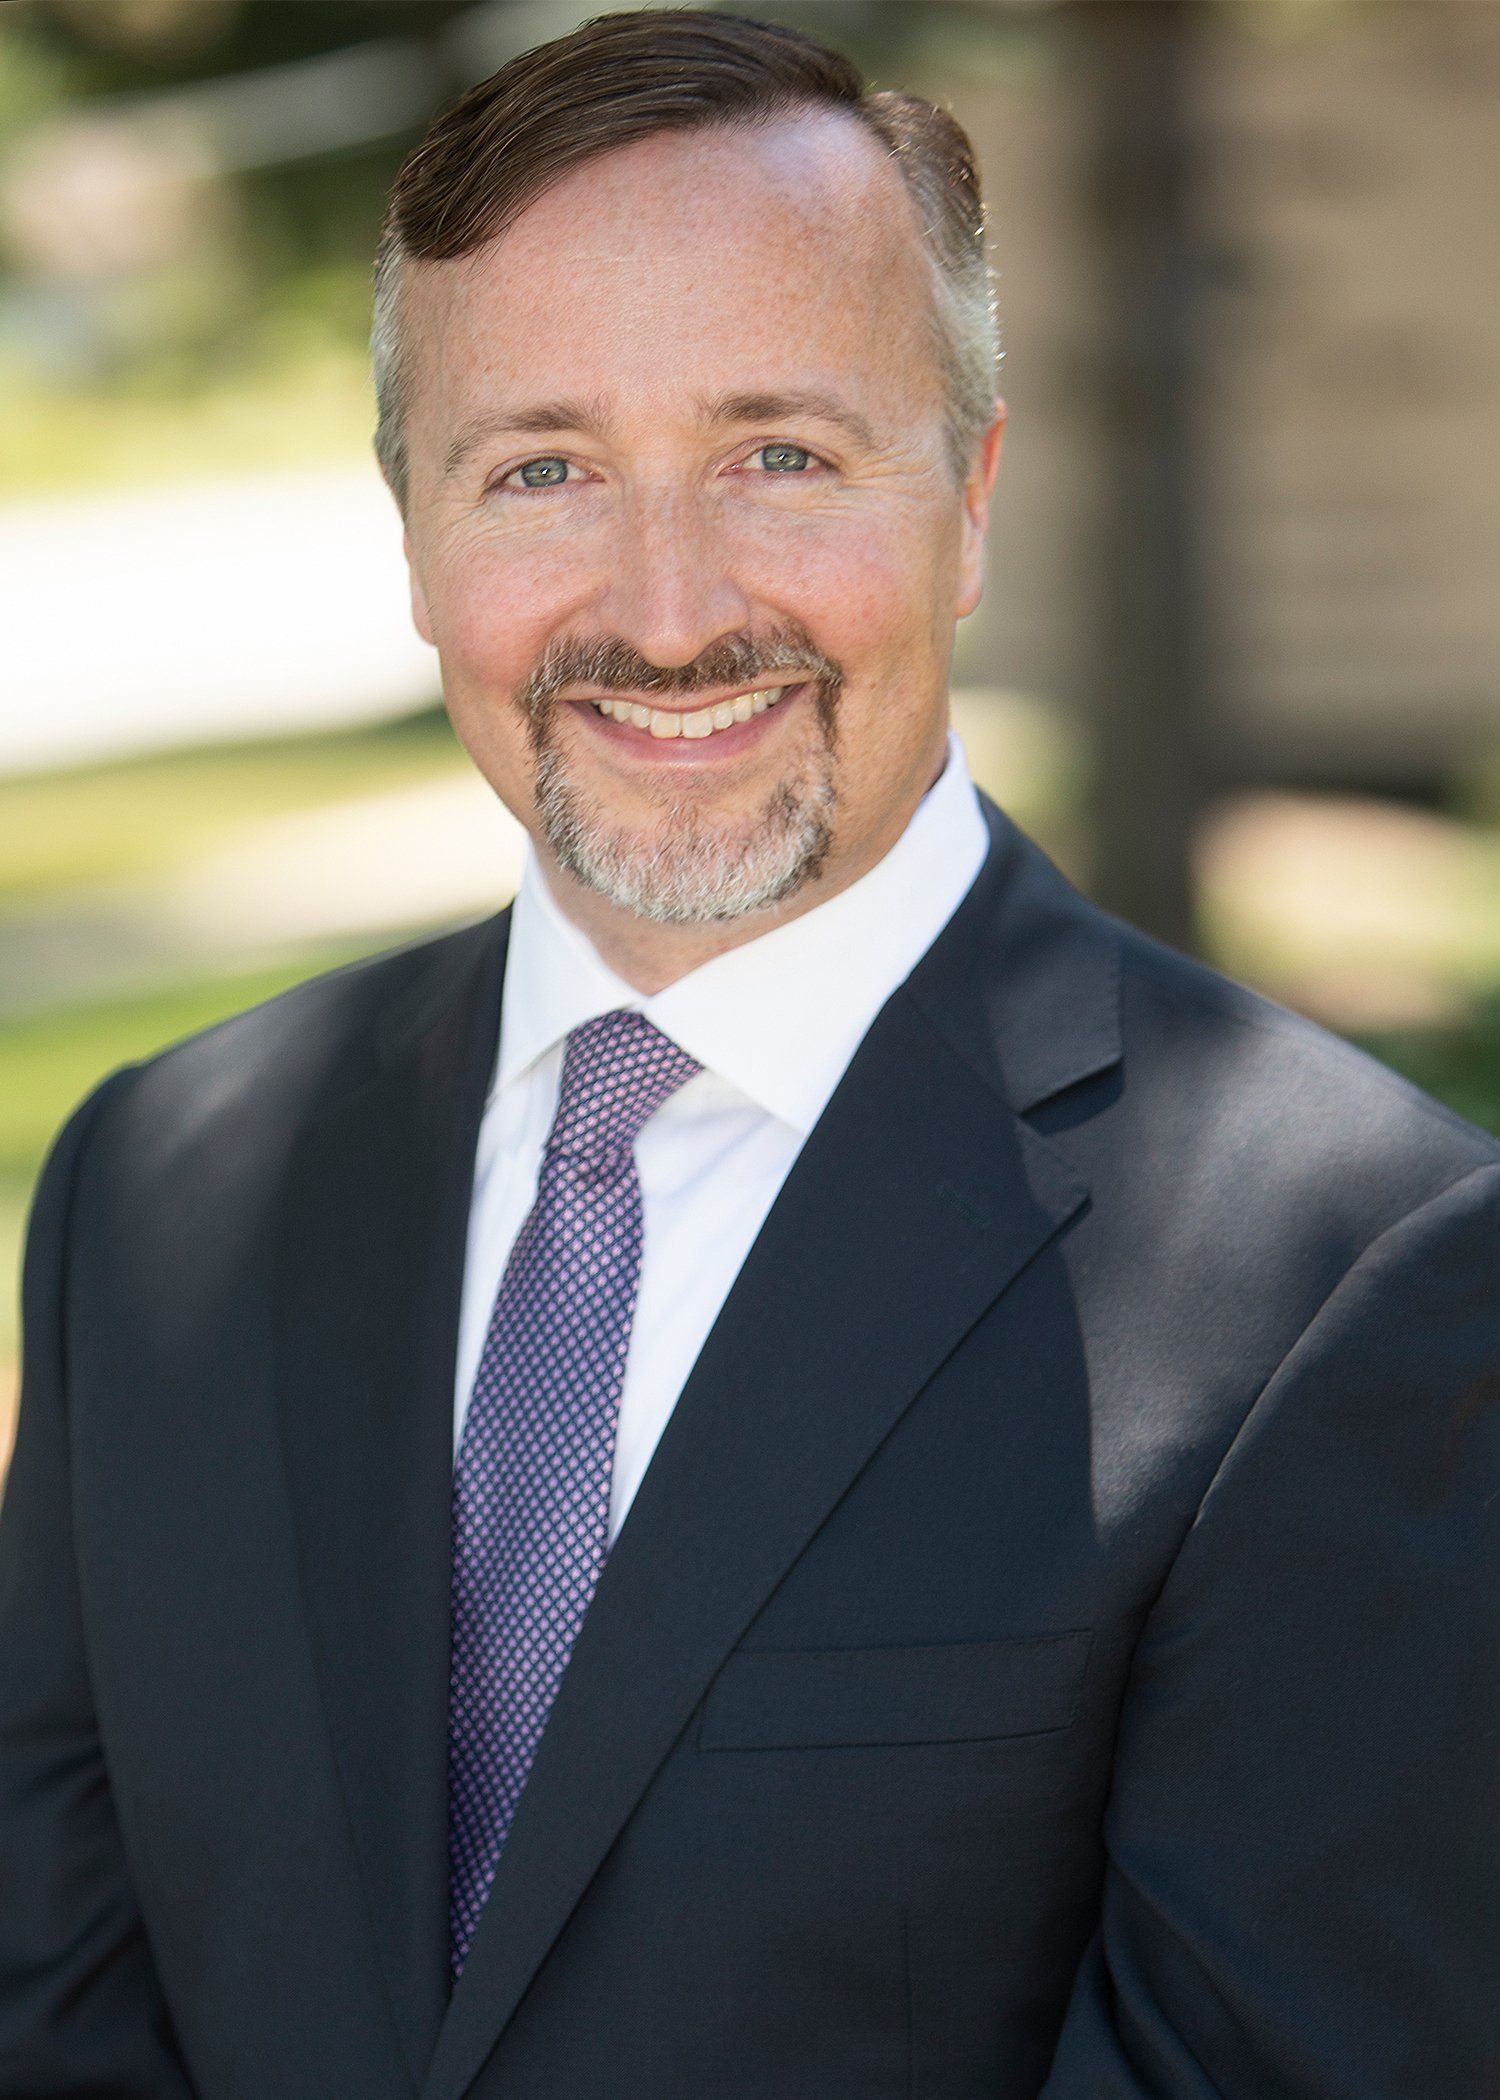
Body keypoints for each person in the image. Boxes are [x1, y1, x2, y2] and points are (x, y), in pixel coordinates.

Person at [2, 10, 1497, 2097]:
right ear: (414, 535)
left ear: (968, 495)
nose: (674, 608)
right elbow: (54, 1999)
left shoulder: (1354, 1276)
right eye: (541, 468)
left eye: (779, 454)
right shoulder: (154, 1191)